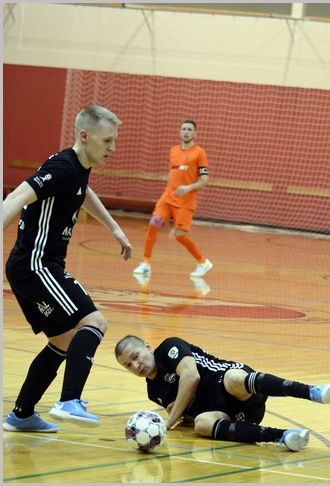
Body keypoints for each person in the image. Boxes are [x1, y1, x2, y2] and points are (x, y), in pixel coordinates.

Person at [3, 105, 133, 433]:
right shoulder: (61, 167)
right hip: (36, 266)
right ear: (84, 136)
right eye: (107, 140)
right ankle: (69, 400)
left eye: (114, 140)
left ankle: (21, 415)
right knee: (94, 322)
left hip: (31, 267)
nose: (113, 147)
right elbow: (15, 197)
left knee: (64, 340)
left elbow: (83, 192)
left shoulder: (79, 167)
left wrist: (114, 228)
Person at [115, 335, 330, 451]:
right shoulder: (153, 392)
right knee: (202, 424)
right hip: (232, 414)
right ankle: (285, 436)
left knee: (234, 380)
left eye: (135, 356)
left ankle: (311, 392)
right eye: (128, 365)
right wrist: (183, 416)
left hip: (235, 386)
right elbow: (189, 412)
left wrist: (170, 419)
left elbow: (191, 376)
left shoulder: (169, 348)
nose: (135, 365)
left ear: (148, 347)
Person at [133, 120, 212, 279]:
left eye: (189, 129)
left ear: (195, 133)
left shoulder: (199, 153)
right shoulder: (173, 151)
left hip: (185, 202)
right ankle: (146, 263)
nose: (186, 132)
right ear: (180, 132)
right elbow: (172, 172)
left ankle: (203, 262)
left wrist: (188, 187)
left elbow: (205, 178)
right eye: (184, 129)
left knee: (180, 236)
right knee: (154, 223)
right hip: (168, 198)